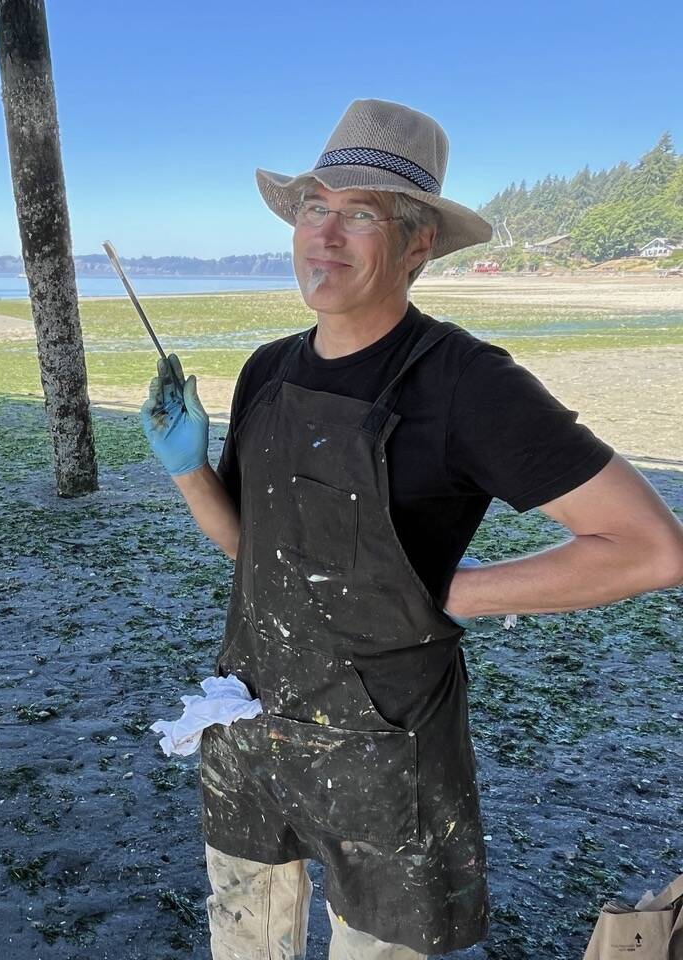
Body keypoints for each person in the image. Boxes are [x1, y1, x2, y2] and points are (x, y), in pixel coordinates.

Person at [140, 99, 683, 959]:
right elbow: (257, 555)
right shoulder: (268, 370)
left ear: (418, 240)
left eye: (360, 214)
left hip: (384, 746)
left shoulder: (467, 384)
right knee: (243, 935)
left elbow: (650, 550)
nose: (325, 235)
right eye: (315, 207)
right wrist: (187, 469)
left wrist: (441, 590)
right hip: (247, 716)